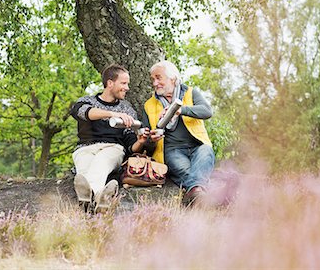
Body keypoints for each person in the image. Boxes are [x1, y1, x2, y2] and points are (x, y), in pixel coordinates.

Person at [70, 64, 149, 213]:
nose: (127, 88)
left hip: (112, 148)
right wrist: (112, 114)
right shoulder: (87, 101)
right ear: (110, 83)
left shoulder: (127, 109)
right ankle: (100, 199)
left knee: (100, 162)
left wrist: (141, 141)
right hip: (84, 148)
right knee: (83, 173)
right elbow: (84, 113)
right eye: (124, 83)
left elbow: (131, 145)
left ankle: (88, 201)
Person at [142, 60, 215, 206]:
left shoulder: (190, 92)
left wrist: (180, 110)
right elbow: (147, 145)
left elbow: (207, 111)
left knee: (207, 151)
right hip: (172, 151)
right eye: (153, 79)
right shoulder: (149, 105)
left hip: (198, 146)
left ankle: (194, 194)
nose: (155, 83)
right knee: (191, 173)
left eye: (158, 78)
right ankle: (199, 192)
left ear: (173, 79)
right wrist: (152, 139)